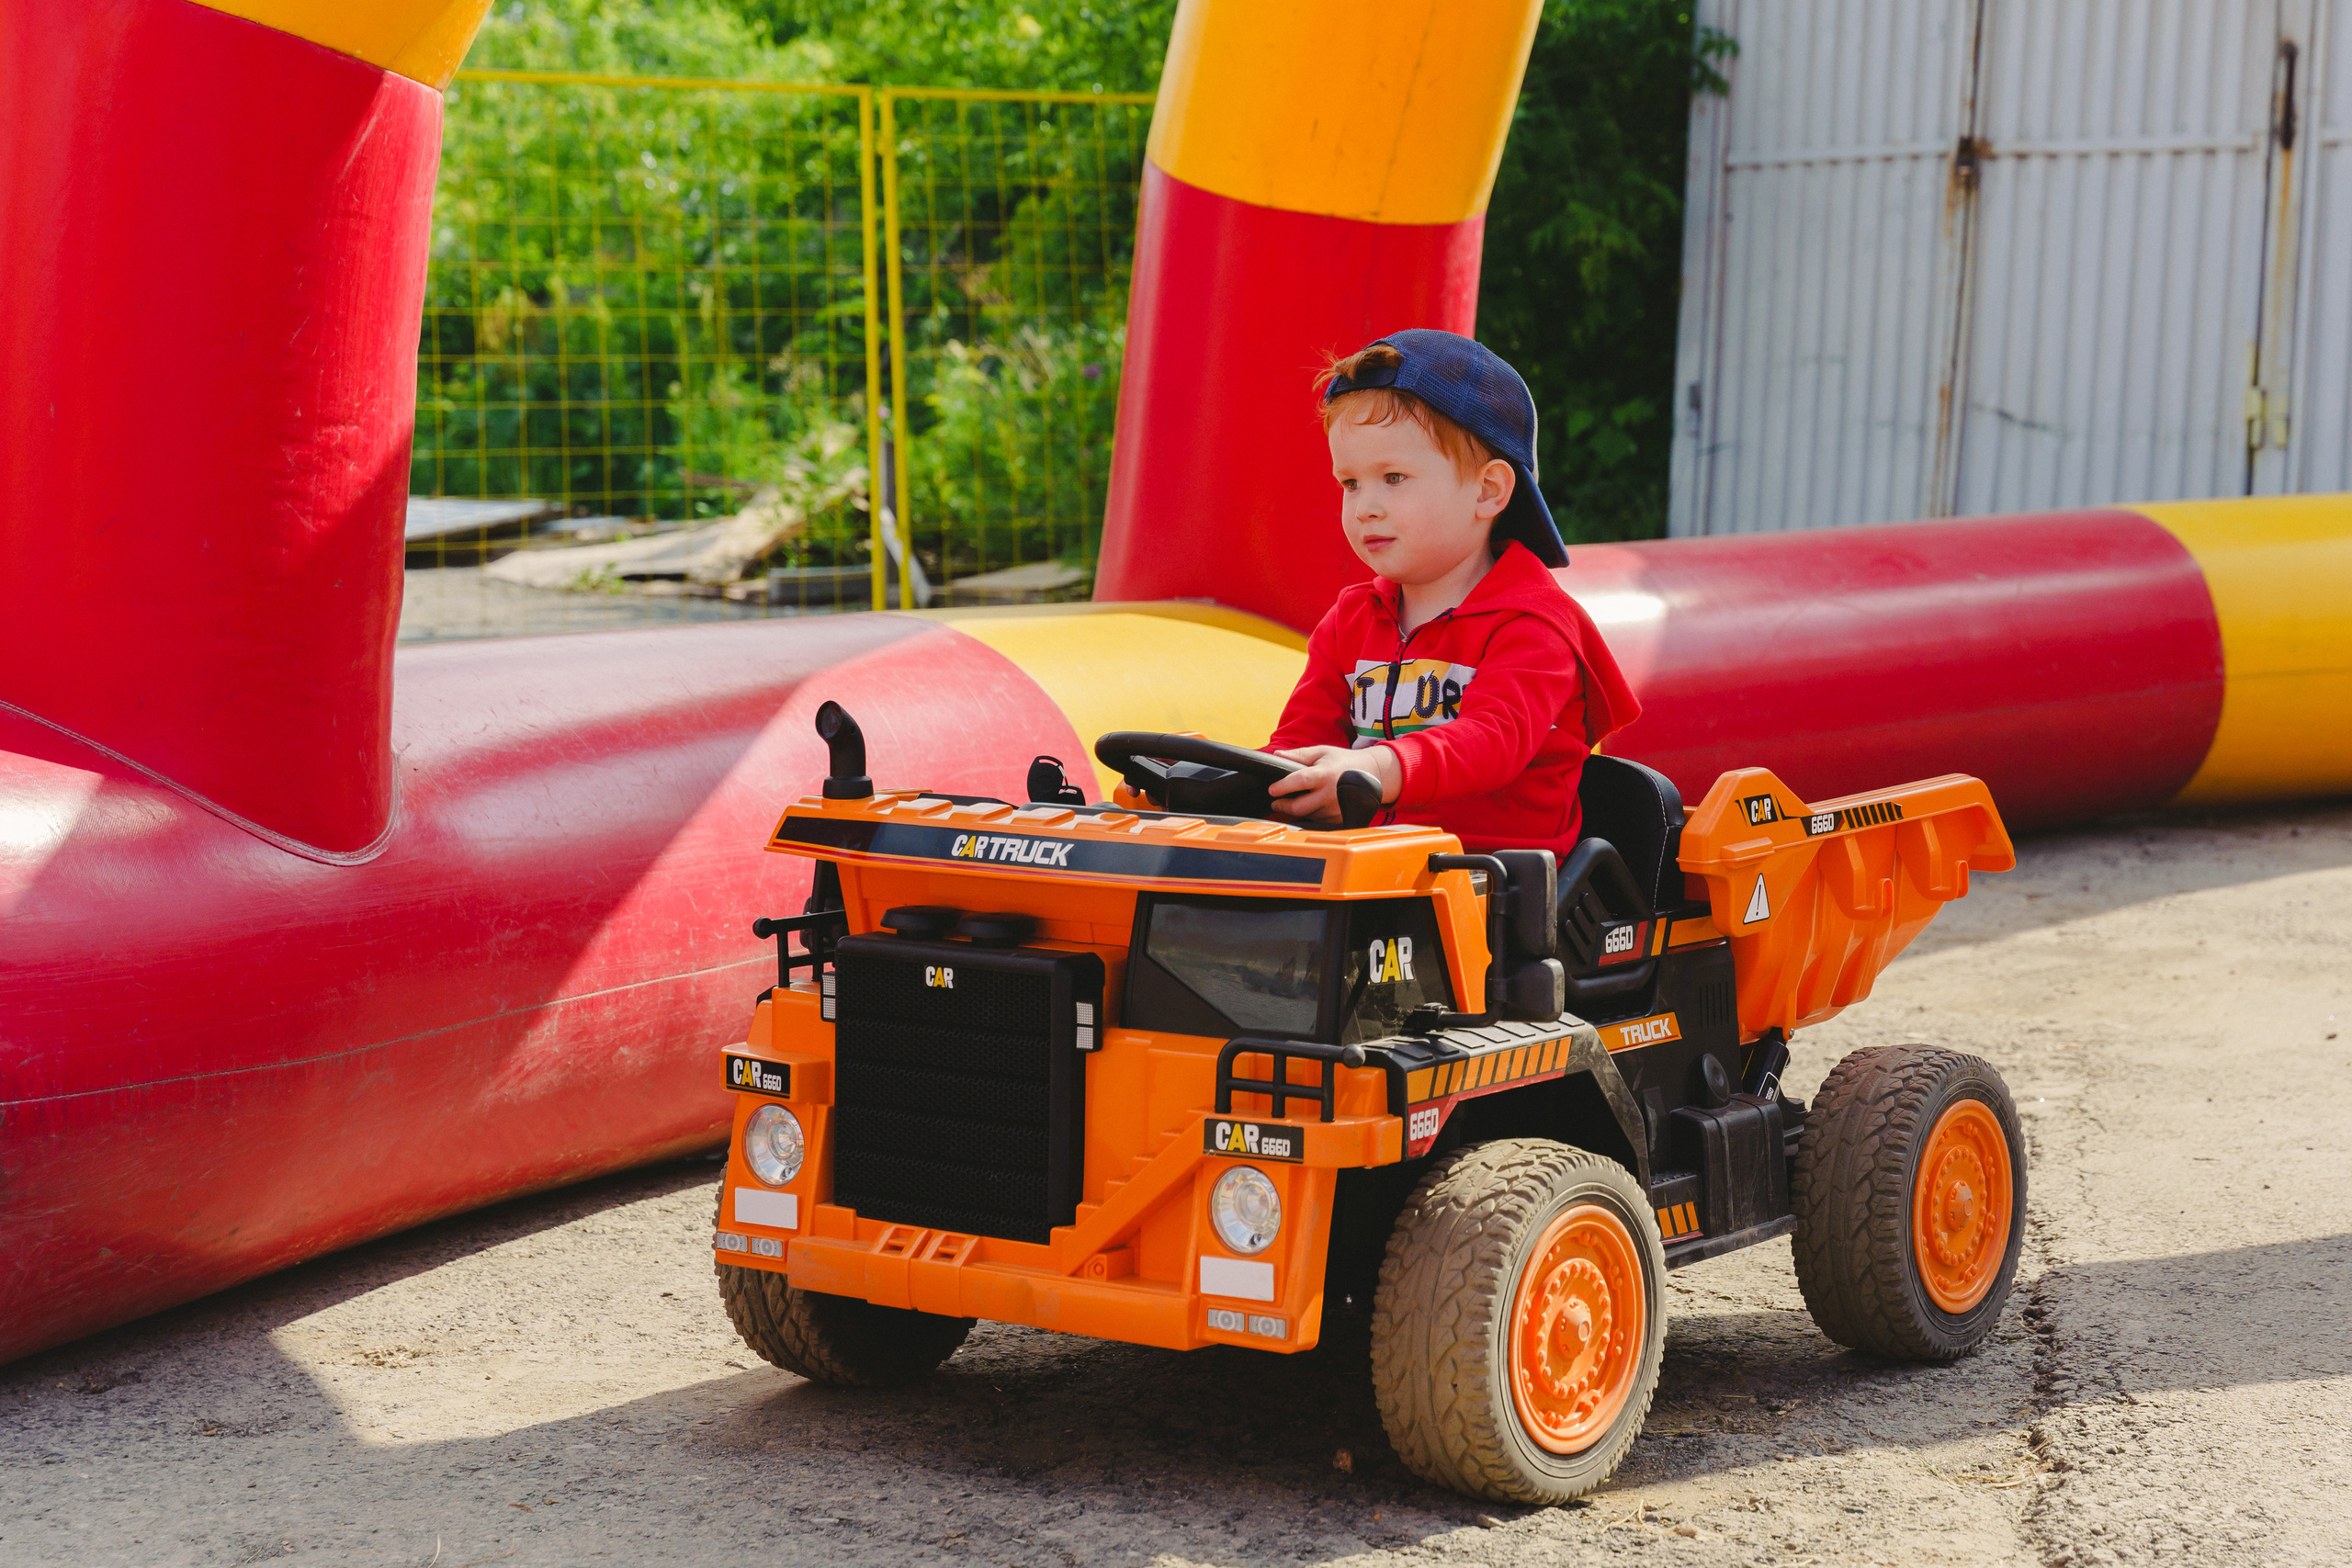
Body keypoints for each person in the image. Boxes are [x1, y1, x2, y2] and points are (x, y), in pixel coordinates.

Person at [1265, 329, 1639, 858]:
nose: (1365, 506)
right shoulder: (1352, 619)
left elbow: (1493, 742)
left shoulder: (1533, 624)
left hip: (1492, 882)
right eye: (1350, 484)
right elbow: (1297, 746)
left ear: (1488, 491)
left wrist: (1372, 768)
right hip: (1366, 868)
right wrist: (1220, 777)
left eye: (1393, 478)